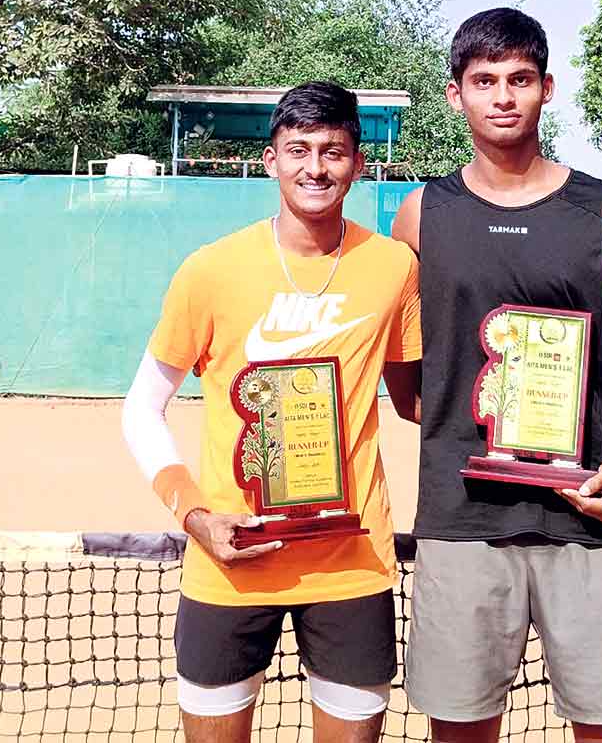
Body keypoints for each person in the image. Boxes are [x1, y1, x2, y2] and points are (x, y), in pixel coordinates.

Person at [385, 8, 602, 743]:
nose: (503, 96)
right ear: (455, 95)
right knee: (458, 731)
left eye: (519, 78)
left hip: (590, 517)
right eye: (484, 81)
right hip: (462, 521)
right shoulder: (422, 214)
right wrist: (476, 425)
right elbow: (404, 369)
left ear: (547, 88)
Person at [122, 81, 422, 743]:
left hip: (352, 560)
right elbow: (142, 407)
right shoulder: (211, 270)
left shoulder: (395, 267)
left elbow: (418, 399)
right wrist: (194, 515)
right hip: (231, 560)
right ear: (270, 161)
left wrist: (515, 402)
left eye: (334, 151)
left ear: (359, 163)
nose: (315, 168)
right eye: (299, 150)